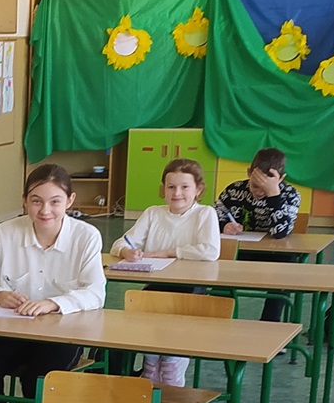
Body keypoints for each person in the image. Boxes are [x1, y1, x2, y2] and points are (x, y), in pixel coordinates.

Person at [0, 164, 106, 403]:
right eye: (36, 201)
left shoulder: (86, 236)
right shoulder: (7, 231)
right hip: (15, 328)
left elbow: (96, 293)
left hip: (65, 333)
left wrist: (53, 303)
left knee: (37, 382)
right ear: (24, 201)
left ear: (70, 201)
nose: (45, 210)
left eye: (55, 201)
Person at [111, 159, 220, 386]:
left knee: (176, 312)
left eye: (185, 187)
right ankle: (151, 358)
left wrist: (170, 252)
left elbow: (210, 251)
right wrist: (126, 251)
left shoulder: (205, 213)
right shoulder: (153, 213)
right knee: (143, 305)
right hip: (158, 284)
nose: (177, 193)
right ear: (164, 189)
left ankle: (173, 359)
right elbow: (120, 243)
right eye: (171, 187)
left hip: (191, 288)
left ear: (198, 190)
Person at [215, 147, 302, 323]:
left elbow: (280, 232)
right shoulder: (233, 190)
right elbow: (212, 219)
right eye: (255, 185)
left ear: (281, 179)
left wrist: (273, 195)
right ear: (249, 173)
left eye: (266, 187)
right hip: (238, 250)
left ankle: (270, 323)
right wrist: (224, 226)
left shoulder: (290, 195)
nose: (259, 192)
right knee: (216, 262)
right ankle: (219, 318)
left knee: (286, 267)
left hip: (274, 255)